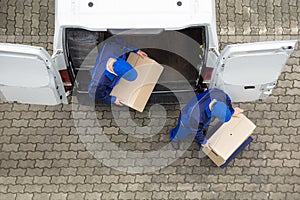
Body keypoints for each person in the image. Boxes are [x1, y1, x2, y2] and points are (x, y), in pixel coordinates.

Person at [170, 88, 244, 148]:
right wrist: (203, 141)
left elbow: (227, 99)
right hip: (186, 120)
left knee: (202, 125)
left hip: (200, 118)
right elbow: (196, 130)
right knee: (181, 131)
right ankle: (175, 138)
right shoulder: (196, 116)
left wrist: (232, 111)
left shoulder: (220, 95)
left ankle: (202, 128)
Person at [88, 37, 148, 105]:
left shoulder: (114, 47)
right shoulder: (99, 81)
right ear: (116, 74)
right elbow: (93, 93)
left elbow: (121, 42)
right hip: (103, 85)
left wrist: (136, 50)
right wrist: (113, 99)